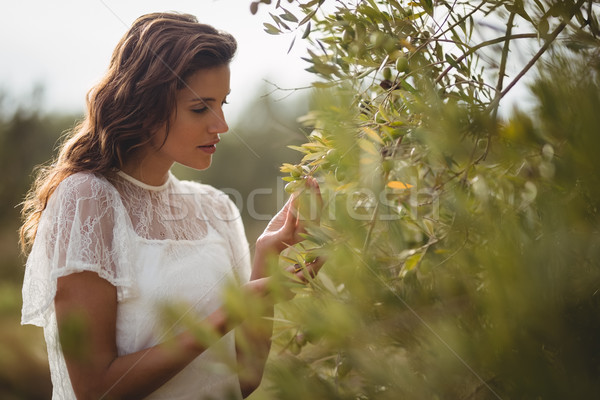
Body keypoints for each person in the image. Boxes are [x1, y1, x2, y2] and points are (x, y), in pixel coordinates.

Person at [19, 12, 322, 399]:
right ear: (145, 106)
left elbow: (244, 378)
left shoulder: (216, 208)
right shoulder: (87, 199)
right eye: (200, 108)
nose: (222, 124)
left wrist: (268, 255)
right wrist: (227, 314)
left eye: (223, 103)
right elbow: (94, 390)